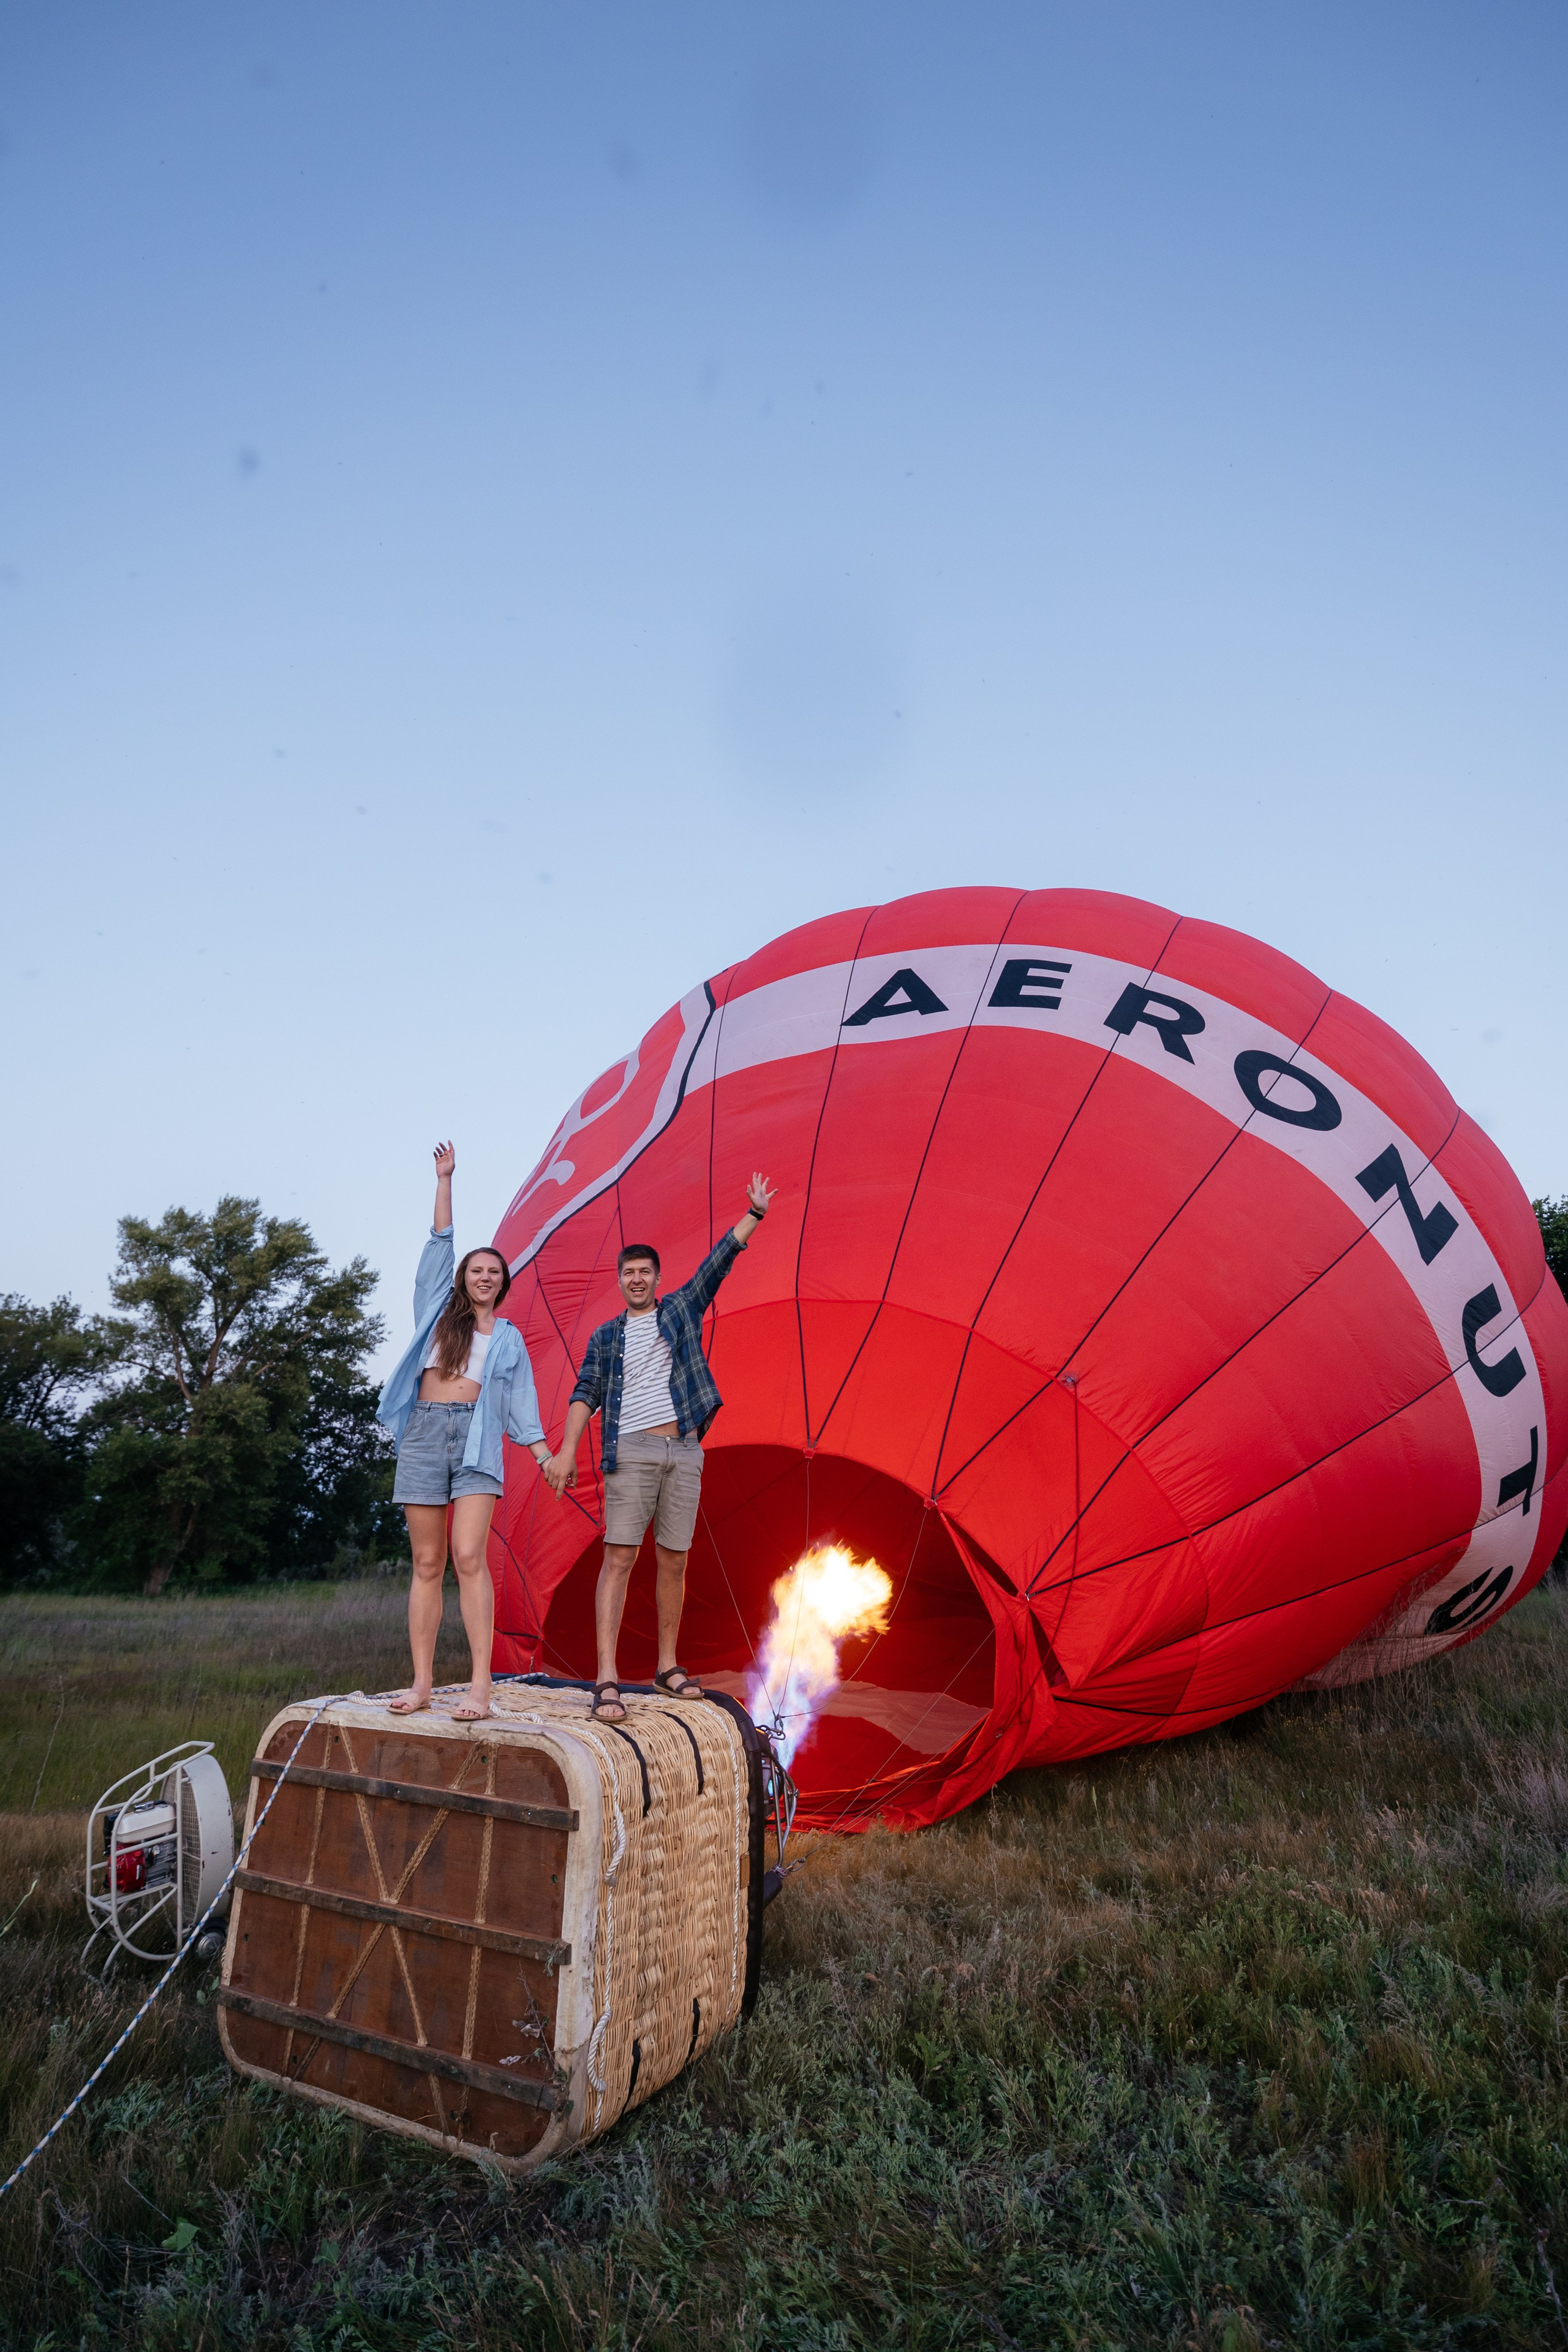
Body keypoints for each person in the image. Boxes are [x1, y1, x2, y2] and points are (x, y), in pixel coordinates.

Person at [543, 1174, 776, 1721]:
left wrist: (755, 1215)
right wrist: (566, 1450)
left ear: (657, 1278)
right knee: (620, 1556)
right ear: (620, 1282)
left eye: (645, 1272)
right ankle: (606, 1676)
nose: (637, 1280)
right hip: (632, 1451)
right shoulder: (606, 1337)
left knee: (675, 1560)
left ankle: (667, 1666)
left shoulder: (679, 1311)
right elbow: (586, 1393)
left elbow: (717, 1265)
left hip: (685, 1450)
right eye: (629, 1274)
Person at [377, 1141, 554, 1722]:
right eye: (476, 1270)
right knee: (427, 1562)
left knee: (468, 1555)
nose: (484, 1277)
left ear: (503, 1284)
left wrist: (545, 1453)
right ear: (463, 1279)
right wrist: (445, 1180)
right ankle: (423, 1683)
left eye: (493, 1273)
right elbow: (439, 1242)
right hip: (426, 1434)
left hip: (477, 1441)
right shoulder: (436, 1313)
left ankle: (481, 1687)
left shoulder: (506, 1339)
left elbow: (522, 1404)